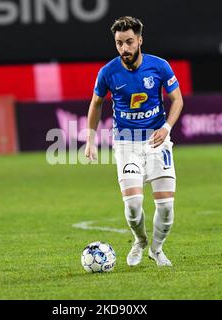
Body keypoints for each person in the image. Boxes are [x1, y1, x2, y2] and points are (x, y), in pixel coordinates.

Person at [84, 16, 184, 267]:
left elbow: (178, 100)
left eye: (129, 42)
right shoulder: (108, 72)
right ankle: (140, 240)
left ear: (140, 40)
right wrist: (90, 138)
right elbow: (96, 103)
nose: (124, 49)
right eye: (119, 43)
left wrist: (166, 127)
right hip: (126, 144)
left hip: (156, 142)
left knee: (166, 207)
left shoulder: (159, 67)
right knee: (133, 205)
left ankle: (157, 249)